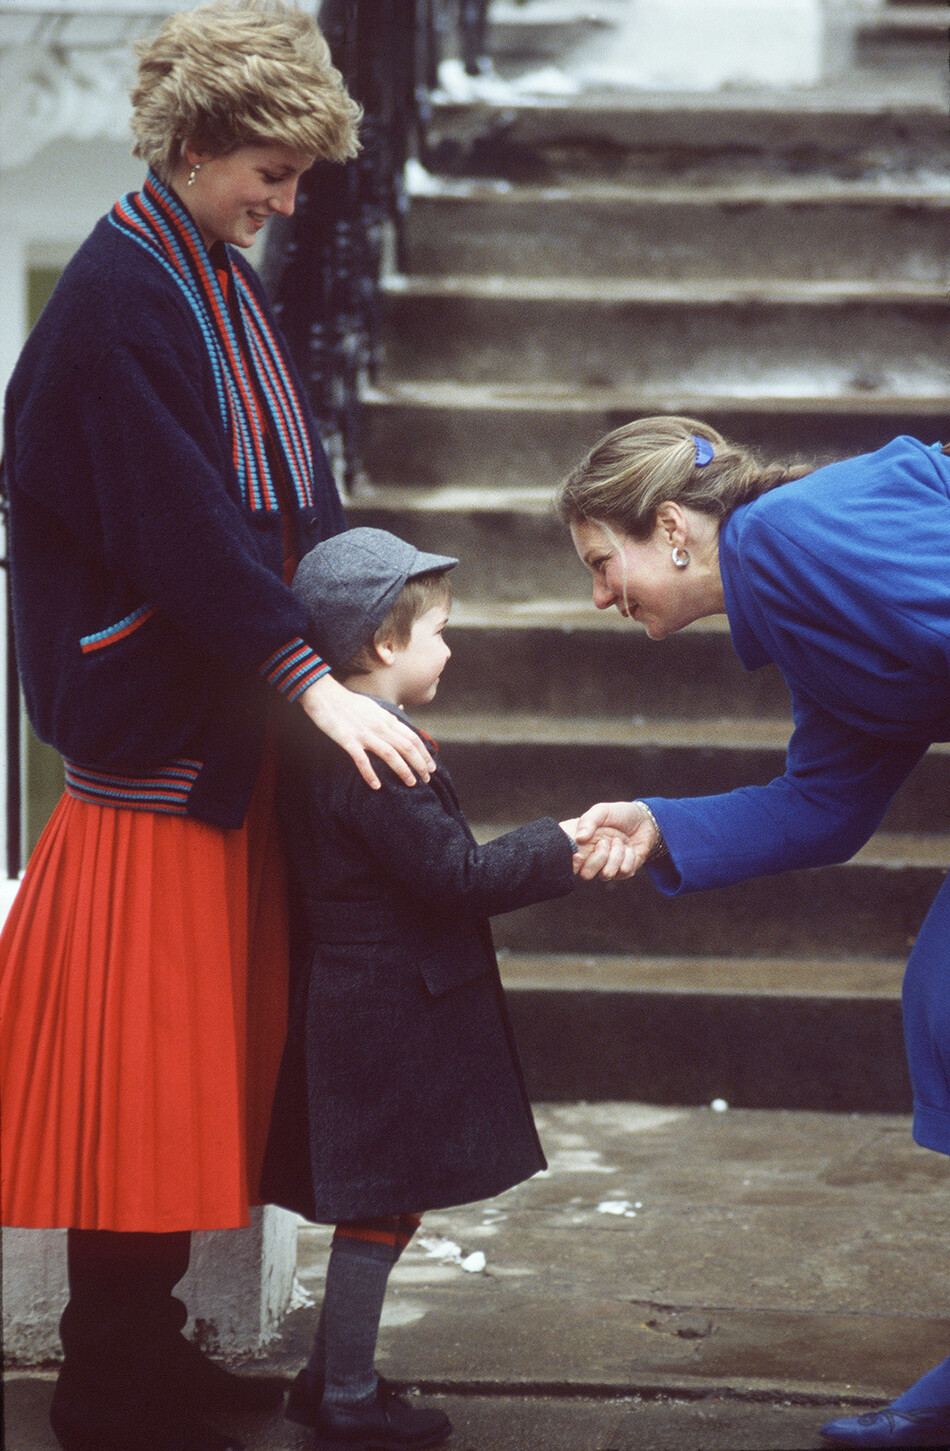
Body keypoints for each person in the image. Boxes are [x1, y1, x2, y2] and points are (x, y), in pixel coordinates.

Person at [0, 7, 437, 1451]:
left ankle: (144, 1349)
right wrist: (312, 679)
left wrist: (364, 638)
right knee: (146, 1078)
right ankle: (106, 1383)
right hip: (155, 751)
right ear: (193, 146)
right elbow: (182, 528)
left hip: (208, 737)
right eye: (271, 171)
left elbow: (287, 505)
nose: (287, 202)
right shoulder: (122, 298)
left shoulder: (193, 271)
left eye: (299, 177)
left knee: (184, 1077)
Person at [557, 414, 950, 1450]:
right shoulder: (788, 591)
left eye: (601, 562)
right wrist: (659, 822)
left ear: (671, 528)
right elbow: (825, 805)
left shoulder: (786, 537)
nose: (598, 596)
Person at [259, 527, 583, 1450]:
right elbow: (458, 876)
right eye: (440, 631)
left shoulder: (332, 738)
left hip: (369, 995)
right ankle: (348, 1396)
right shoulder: (375, 755)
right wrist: (562, 843)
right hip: (384, 1006)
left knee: (388, 1199)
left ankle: (327, 1377)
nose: (451, 648)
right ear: (384, 643)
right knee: (383, 1203)